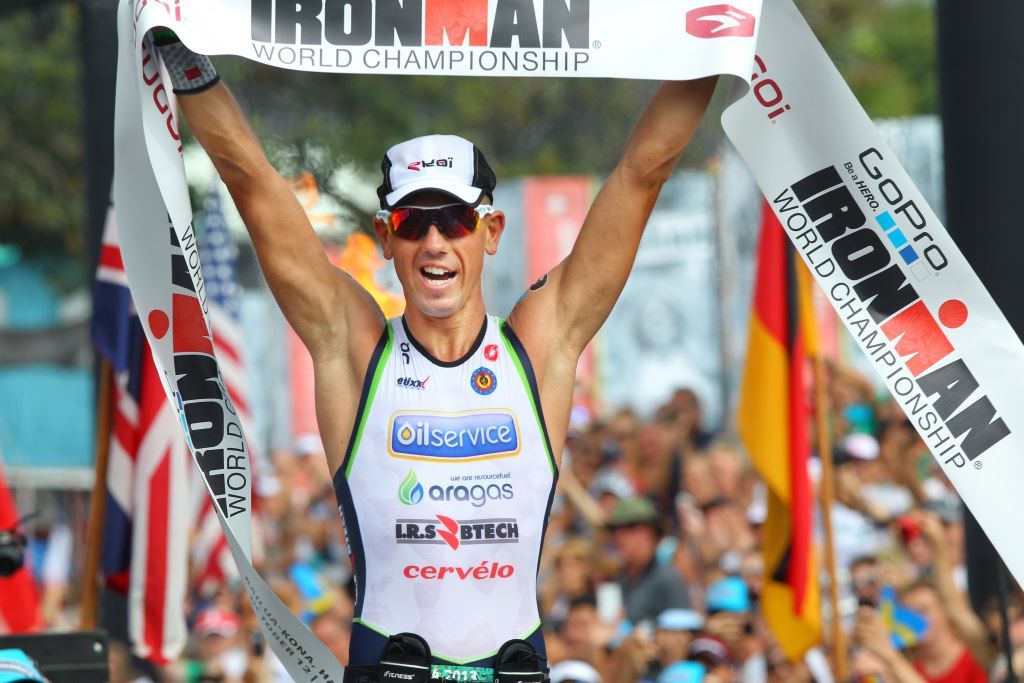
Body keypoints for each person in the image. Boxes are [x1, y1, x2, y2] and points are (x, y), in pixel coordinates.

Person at [156, 29, 716, 682]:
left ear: (491, 231)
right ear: (384, 238)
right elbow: (252, 181)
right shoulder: (354, 349)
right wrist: (184, 61)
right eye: (411, 222)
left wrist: (718, 46)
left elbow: (642, 174)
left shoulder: (538, 345)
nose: (433, 242)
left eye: (453, 220)